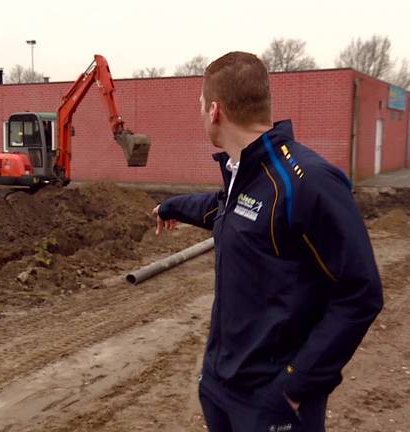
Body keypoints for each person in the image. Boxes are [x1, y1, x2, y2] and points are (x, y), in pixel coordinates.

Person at [153, 52, 383, 431]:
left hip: (271, 401)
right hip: (221, 383)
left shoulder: (307, 182)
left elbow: (361, 293)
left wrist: (297, 384)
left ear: (214, 110)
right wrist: (171, 207)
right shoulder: (243, 173)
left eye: (199, 105)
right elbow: (222, 208)